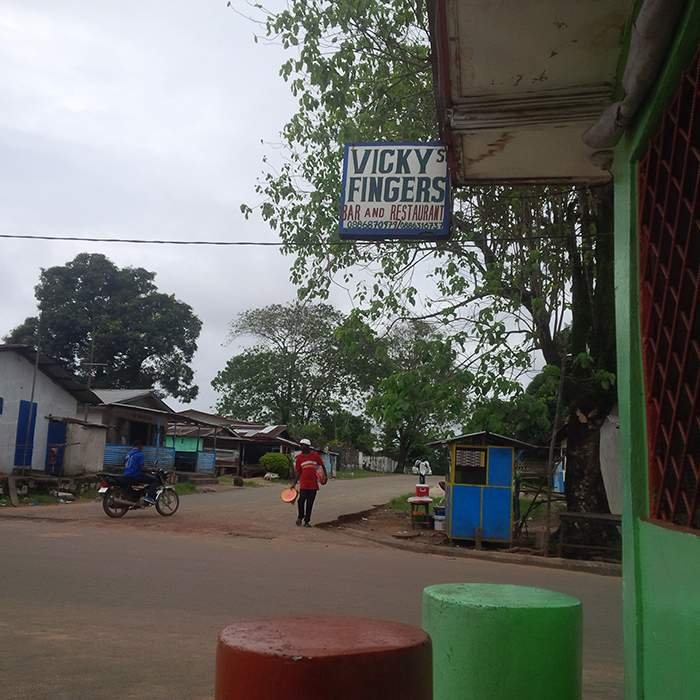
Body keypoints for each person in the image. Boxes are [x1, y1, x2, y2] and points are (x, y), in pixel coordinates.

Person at [291, 438, 325, 527]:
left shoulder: (315, 456)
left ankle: (307, 521)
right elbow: (298, 472)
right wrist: (294, 483)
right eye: (300, 445)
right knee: (300, 501)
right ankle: (300, 516)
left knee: (310, 504)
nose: (301, 447)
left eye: (303, 445)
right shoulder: (299, 458)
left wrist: (325, 477)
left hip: (313, 485)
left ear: (308, 446)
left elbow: (322, 466)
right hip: (304, 484)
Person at [122, 439, 158, 504]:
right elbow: (142, 468)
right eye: (142, 446)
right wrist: (151, 470)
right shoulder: (140, 454)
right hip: (135, 475)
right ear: (139, 446)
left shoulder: (129, 453)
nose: (143, 448)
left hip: (126, 474)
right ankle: (150, 497)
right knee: (154, 480)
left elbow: (124, 463)